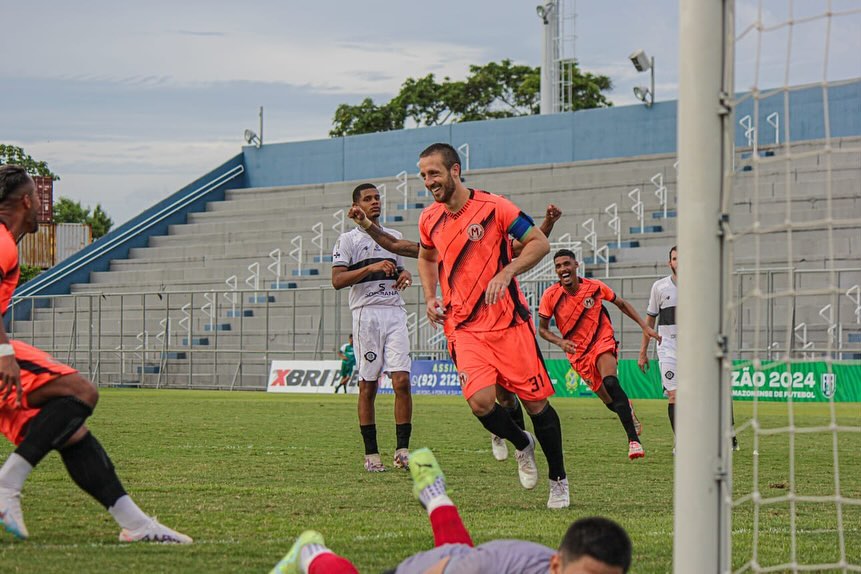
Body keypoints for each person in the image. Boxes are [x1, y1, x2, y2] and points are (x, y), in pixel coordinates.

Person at [0, 165, 191, 543]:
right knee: (80, 392)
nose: (41, 206)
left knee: (69, 431)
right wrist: (4, 350)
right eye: (38, 198)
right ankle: (6, 488)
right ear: (26, 200)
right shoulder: (2, 242)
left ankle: (136, 524)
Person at [347, 202, 563, 462]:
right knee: (484, 399)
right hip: (463, 326)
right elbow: (396, 246)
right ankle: (513, 438)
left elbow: (528, 245)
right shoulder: (439, 246)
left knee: (505, 394)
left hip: (500, 321)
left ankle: (513, 437)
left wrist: (547, 224)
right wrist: (367, 225)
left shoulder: (490, 242)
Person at [415, 143, 569, 509]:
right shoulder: (429, 218)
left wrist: (506, 271)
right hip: (464, 327)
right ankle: (521, 443)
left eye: (434, 173)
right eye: (423, 175)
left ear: (455, 170)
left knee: (536, 404)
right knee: (481, 404)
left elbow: (539, 243)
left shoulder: (495, 207)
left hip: (509, 324)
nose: (428, 182)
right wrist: (429, 296)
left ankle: (558, 479)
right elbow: (425, 256)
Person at [271, 448, 633, 574]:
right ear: (556, 564)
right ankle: (310, 551)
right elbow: (453, 562)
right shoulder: (492, 566)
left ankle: (433, 492)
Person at [538, 249, 660, 461]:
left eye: (566, 264)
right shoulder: (550, 295)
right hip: (577, 353)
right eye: (558, 266)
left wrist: (643, 326)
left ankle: (633, 441)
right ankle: (628, 409)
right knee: (608, 400)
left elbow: (620, 304)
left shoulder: (594, 287)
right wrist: (560, 342)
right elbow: (542, 329)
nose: (563, 269)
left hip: (601, 340)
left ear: (576, 265)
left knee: (611, 382)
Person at [332, 183, 413, 472]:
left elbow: (402, 268)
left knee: (402, 381)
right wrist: (370, 268)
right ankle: (371, 454)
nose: (375, 202)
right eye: (368, 199)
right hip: (366, 315)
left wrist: (405, 275)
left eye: (377, 197)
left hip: (394, 311)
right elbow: (338, 280)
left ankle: (402, 450)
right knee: (368, 385)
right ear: (357, 205)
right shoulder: (348, 240)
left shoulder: (395, 237)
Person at [638, 246, 739, 451]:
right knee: (674, 395)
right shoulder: (659, 287)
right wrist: (643, 352)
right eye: (675, 259)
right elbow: (649, 321)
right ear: (670, 263)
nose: (679, 262)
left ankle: (728, 430)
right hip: (668, 348)